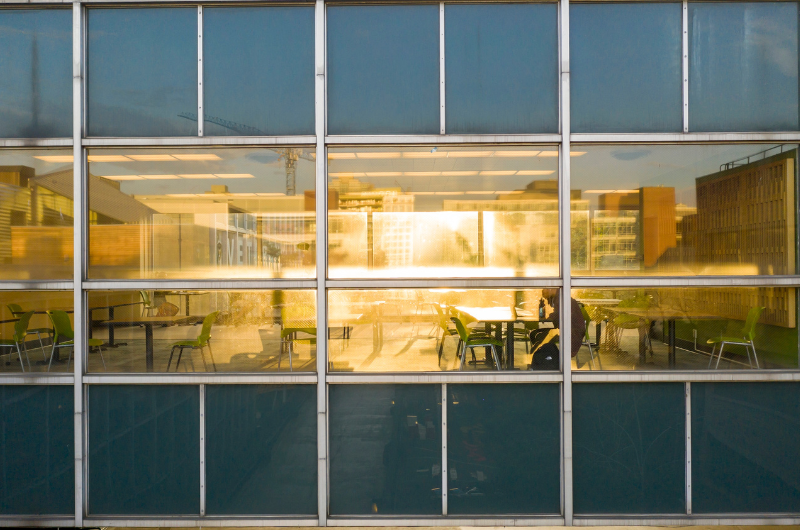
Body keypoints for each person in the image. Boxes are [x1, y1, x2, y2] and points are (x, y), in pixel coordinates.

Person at [529, 288, 586, 368]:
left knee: (540, 336)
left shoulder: (561, 299)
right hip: (568, 329)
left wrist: (548, 318)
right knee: (534, 333)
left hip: (571, 331)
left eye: (545, 289)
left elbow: (558, 315)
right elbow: (558, 315)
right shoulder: (559, 298)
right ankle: (538, 359)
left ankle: (541, 361)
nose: (543, 292)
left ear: (551, 289)